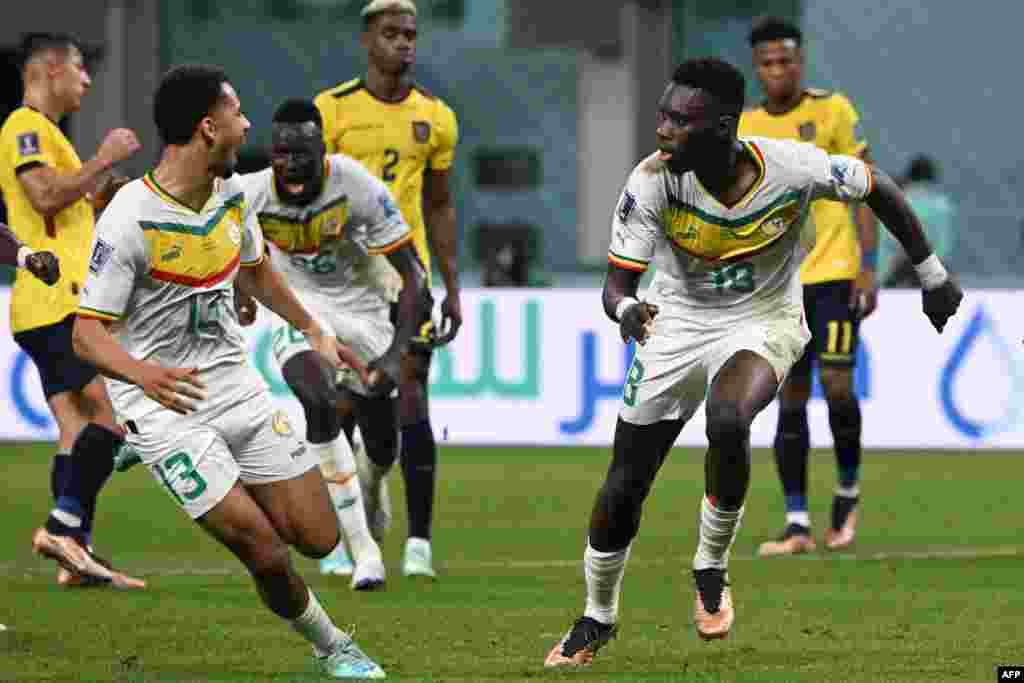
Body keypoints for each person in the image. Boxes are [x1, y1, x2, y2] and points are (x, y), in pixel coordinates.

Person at [544, 57, 962, 667]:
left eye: (679, 120)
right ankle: (596, 616)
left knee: (729, 418)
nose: (662, 130)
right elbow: (616, 285)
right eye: (662, 115)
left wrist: (931, 273)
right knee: (625, 482)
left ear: (721, 127)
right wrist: (626, 309)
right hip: (674, 321)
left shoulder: (790, 167)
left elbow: (877, 186)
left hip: (763, 319)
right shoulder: (651, 180)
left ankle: (710, 566)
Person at [71, 64, 385, 679]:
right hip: (165, 407)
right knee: (264, 549)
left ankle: (200, 477)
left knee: (320, 539)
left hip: (236, 387)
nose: (248, 125)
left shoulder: (233, 195)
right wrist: (141, 375)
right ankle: (333, 646)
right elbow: (86, 333)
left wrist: (316, 330)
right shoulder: (130, 217)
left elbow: (258, 270)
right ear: (208, 127)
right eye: (237, 113)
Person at [237, 98, 428, 590]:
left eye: (303, 152)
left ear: (324, 149)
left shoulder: (356, 184)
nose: (291, 164)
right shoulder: (250, 193)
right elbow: (217, 248)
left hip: (362, 309)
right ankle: (363, 552)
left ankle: (374, 479)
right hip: (298, 306)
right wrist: (241, 295)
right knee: (318, 400)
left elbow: (414, 277)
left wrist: (393, 355)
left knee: (383, 444)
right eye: (281, 153)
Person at [313, 0, 461, 579]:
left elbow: (440, 204)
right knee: (342, 401)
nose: (405, 43)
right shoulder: (331, 112)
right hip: (344, 282)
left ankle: (419, 542)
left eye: (411, 35)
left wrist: (452, 285)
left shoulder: (437, 117)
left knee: (412, 394)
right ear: (367, 38)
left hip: (408, 280)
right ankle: (348, 528)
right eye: (393, 33)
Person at [0, 32, 144, 588]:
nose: (87, 80)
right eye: (81, 69)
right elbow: (43, 197)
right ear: (52, 70)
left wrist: (102, 193)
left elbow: (63, 209)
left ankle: (75, 557)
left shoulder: (48, 134)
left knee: (74, 427)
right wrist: (102, 158)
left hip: (47, 304)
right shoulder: (26, 127)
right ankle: (63, 527)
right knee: (116, 414)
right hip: (56, 301)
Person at [738, 16, 879, 554]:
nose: (778, 70)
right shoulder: (747, 126)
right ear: (758, 68)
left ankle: (846, 492)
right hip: (779, 287)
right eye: (768, 63)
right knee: (789, 398)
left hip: (836, 272)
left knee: (839, 386)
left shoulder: (832, 111)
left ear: (800, 62)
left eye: (787, 61)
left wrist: (867, 265)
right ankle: (797, 523)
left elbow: (865, 186)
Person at [880, 155, 957, 287]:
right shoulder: (943, 206)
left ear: (909, 177)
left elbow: (886, 239)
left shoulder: (894, 201)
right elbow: (944, 247)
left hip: (895, 270)